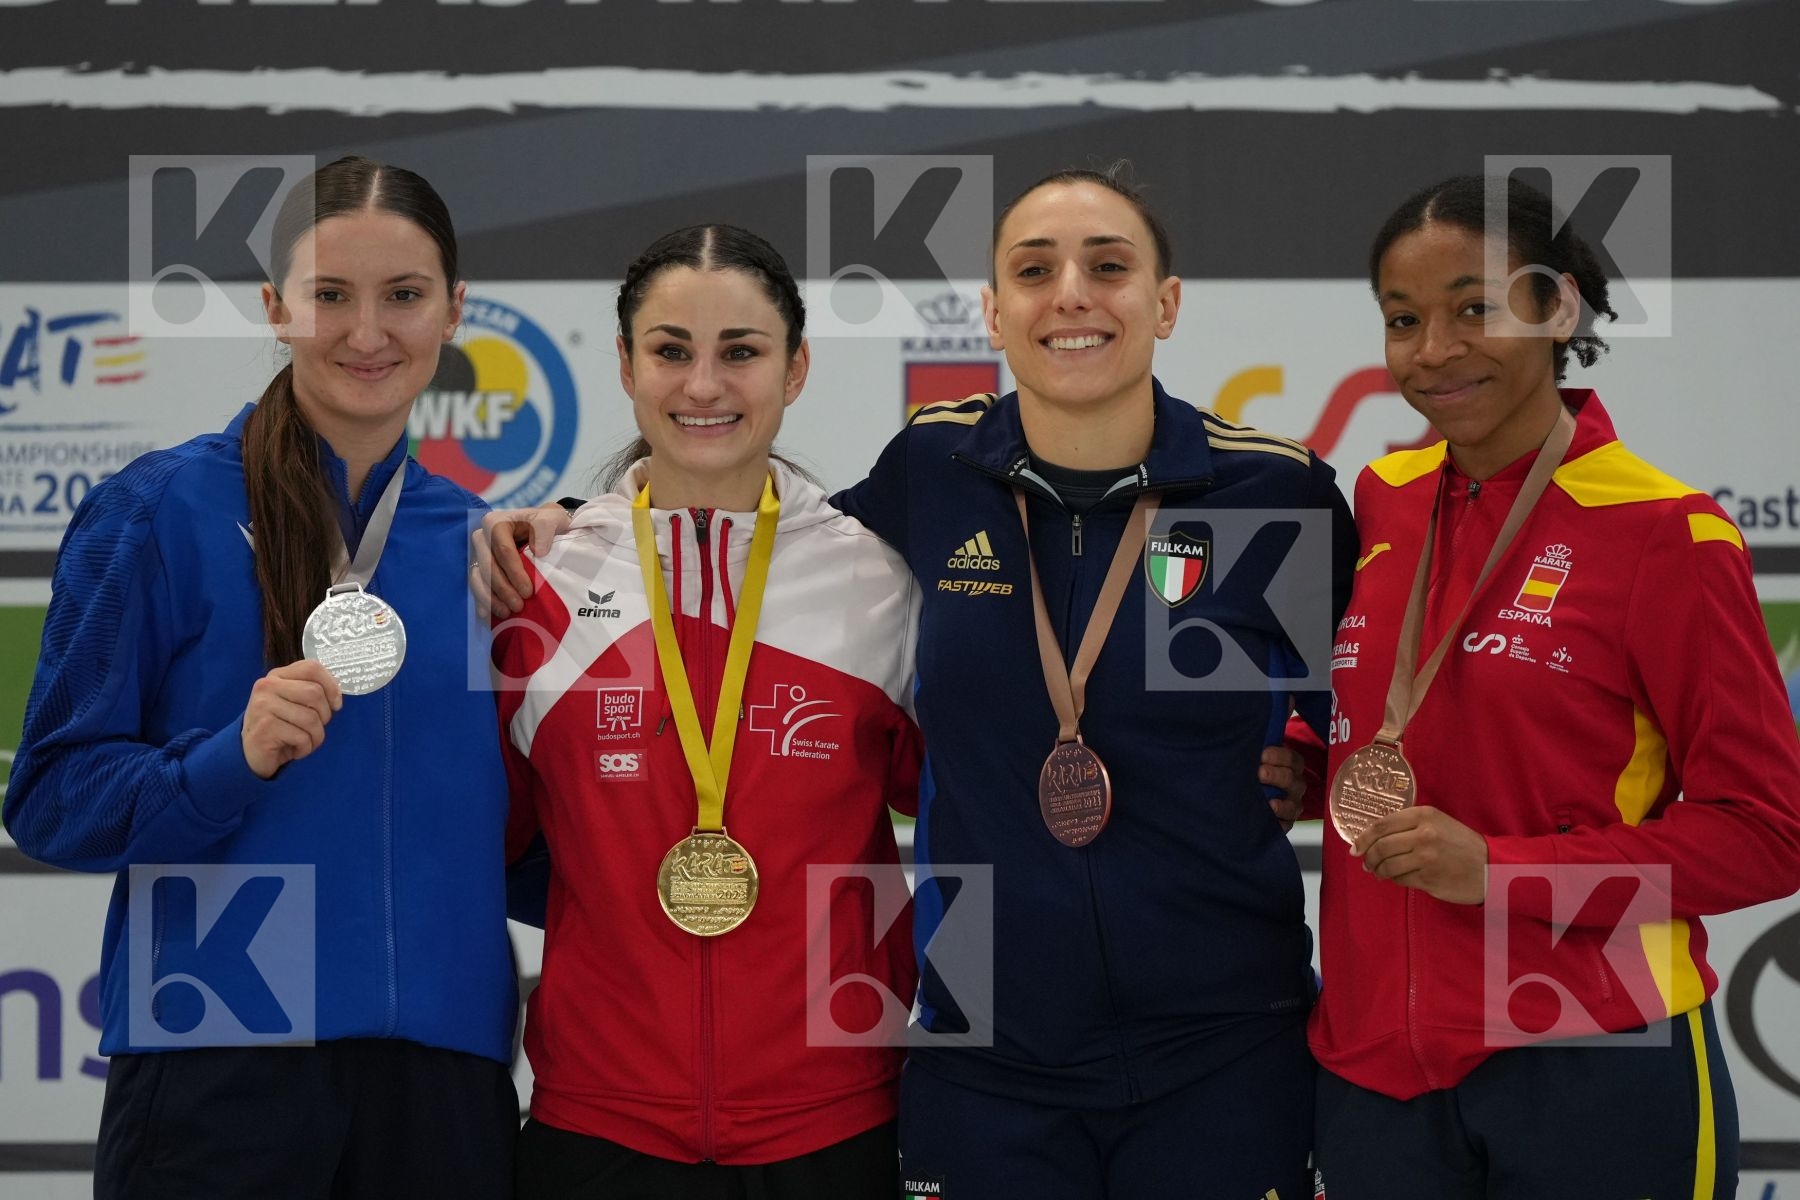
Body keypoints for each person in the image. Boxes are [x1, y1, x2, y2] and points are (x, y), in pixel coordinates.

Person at [482, 167, 1355, 1199]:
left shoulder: (1275, 489)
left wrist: (1304, 748)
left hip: (1220, 1042)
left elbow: (1371, 680)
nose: (1071, 293)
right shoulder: (933, 472)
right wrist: (576, 521)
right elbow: (749, 532)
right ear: (993, 309)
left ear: (1165, 301)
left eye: (1108, 267)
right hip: (988, 1049)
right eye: (1035, 270)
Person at [4, 155, 519, 1199]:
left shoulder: (490, 551)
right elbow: (52, 798)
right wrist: (222, 765)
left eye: (404, 297)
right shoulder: (157, 512)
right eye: (331, 296)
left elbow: (536, 834)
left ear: (455, 310)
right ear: (277, 307)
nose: (367, 334)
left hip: (443, 1081)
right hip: (219, 1057)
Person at [1296, 173, 1800, 1199]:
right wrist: (1304, 771)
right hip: (1374, 1072)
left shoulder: (1665, 530)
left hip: (1593, 1057)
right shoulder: (1384, 501)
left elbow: (1765, 833)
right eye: (1403, 319)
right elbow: (1403, 723)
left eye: (1475, 308)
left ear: (1557, 307)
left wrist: (1503, 872)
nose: (1432, 349)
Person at [493, 223, 922, 1199]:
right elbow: (496, 841)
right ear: (625, 364)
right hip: (596, 1119)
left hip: (835, 1118)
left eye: (741, 352)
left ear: (796, 366)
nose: (703, 387)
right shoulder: (535, 583)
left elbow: (963, 810)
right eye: (671, 351)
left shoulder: (881, 579)